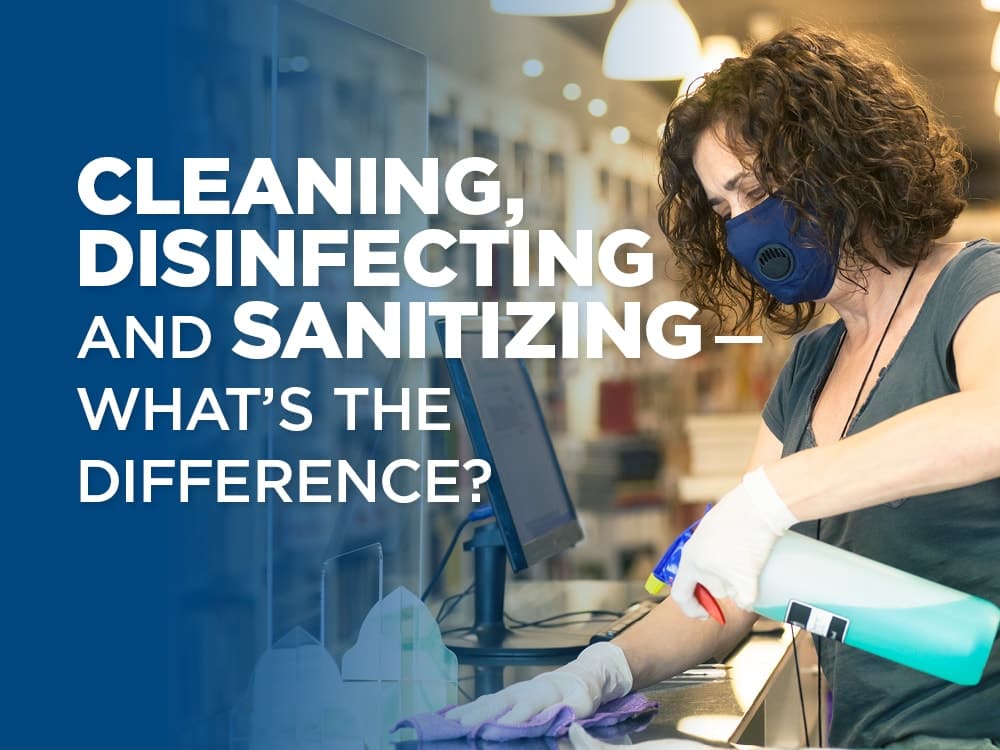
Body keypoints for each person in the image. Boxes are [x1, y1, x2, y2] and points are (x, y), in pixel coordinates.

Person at [445, 27, 1000, 749]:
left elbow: (989, 422)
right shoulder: (813, 365)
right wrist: (599, 672)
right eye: (722, 209)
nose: (743, 228)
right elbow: (728, 591)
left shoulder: (976, 287)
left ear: (844, 161)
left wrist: (767, 500)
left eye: (757, 191)